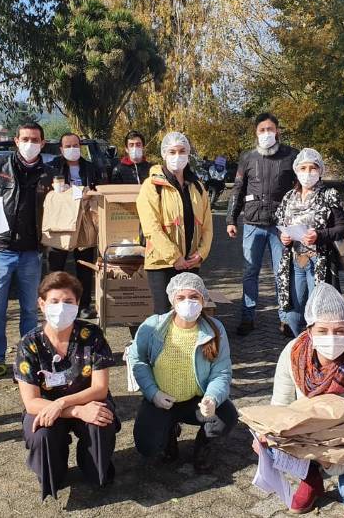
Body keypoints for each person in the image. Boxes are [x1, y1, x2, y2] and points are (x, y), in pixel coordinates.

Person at [262, 283, 344, 517]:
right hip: (311, 439)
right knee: (267, 446)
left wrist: (328, 468)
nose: (332, 338)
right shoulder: (292, 354)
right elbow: (278, 409)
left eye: (339, 331)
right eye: (322, 330)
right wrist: (266, 436)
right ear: (309, 331)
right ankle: (310, 481)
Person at [14, 272, 119, 499]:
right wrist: (76, 410)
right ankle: (54, 473)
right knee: (41, 432)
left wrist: (62, 403)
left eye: (68, 302)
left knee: (101, 420)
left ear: (77, 304)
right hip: (46, 406)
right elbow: (31, 401)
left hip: (87, 399)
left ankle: (95, 470)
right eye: (54, 301)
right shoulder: (28, 344)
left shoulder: (92, 335)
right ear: (42, 304)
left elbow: (100, 388)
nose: (61, 307)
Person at [0, 123, 55, 381]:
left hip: (32, 252)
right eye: (25, 138)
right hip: (1, 250)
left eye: (35, 139)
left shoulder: (49, 173)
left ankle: (28, 360)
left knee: (29, 309)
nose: (30, 143)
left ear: (42, 141)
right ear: (16, 140)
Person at [127, 273, 236, 473]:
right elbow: (137, 360)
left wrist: (212, 398)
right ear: (172, 300)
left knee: (226, 417)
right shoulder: (154, 326)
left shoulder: (215, 329)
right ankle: (168, 432)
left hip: (196, 400)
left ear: (203, 299)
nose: (188, 302)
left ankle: (204, 446)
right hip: (161, 400)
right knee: (147, 446)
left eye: (194, 297)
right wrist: (153, 393)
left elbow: (221, 372)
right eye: (181, 297)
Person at [226, 112, 299, 337]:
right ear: (256, 133)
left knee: (282, 273)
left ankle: (285, 319)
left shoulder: (291, 155)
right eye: (262, 130)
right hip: (252, 224)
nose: (266, 133)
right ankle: (248, 317)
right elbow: (238, 188)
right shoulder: (248, 158)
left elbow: (301, 188)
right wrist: (231, 218)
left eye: (270, 129)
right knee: (250, 272)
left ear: (277, 131)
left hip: (281, 225)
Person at [275, 148, 344, 337]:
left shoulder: (329, 194)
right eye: (303, 168)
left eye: (312, 168)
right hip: (294, 261)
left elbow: (342, 228)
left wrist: (319, 234)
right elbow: (281, 226)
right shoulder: (289, 197)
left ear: (320, 170)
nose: (307, 173)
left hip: (319, 261)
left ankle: (318, 345)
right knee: (294, 304)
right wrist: (282, 237)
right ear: (296, 170)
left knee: (319, 305)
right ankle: (295, 344)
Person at [137, 132, 213, 315]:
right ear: (164, 154)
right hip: (161, 263)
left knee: (188, 314)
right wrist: (174, 257)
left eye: (182, 151)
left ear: (188, 154)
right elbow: (151, 227)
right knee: (164, 315)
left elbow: (208, 226)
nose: (177, 156)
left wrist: (201, 254)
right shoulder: (151, 185)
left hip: (190, 262)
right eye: (172, 151)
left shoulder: (197, 186)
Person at [47, 133, 100, 319]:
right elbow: (50, 193)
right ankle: (55, 302)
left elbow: (98, 190)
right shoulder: (52, 167)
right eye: (68, 146)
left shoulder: (91, 168)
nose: (72, 149)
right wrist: (77, 193)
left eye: (75, 145)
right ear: (61, 149)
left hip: (84, 221)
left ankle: (84, 305)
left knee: (84, 266)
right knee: (56, 266)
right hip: (60, 222)